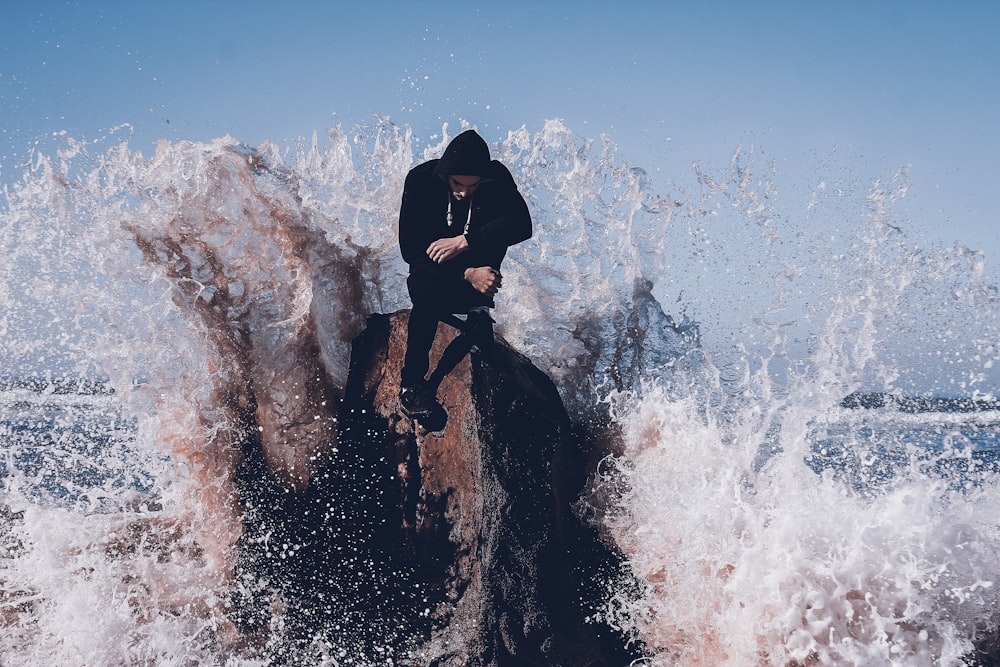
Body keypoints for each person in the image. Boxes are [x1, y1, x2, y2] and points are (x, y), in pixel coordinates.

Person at [397, 129, 532, 428]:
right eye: (458, 184)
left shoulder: (496, 177)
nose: (463, 192)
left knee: (500, 223)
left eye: (472, 186)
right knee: (427, 293)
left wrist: (464, 242)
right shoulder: (420, 179)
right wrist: (466, 273)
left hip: (478, 282)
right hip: (431, 276)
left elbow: (523, 225)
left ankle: (478, 310)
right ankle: (410, 384)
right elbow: (410, 250)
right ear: (445, 173)